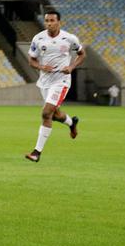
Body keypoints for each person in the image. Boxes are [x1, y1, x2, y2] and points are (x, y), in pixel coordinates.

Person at [25, 10, 83, 162]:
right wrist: (40, 67)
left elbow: (82, 54)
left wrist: (71, 67)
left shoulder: (69, 38)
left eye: (52, 20)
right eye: (47, 21)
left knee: (46, 113)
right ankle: (72, 123)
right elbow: (31, 60)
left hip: (61, 81)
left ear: (59, 22)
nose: (49, 23)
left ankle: (37, 152)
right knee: (55, 115)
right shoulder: (38, 39)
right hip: (45, 82)